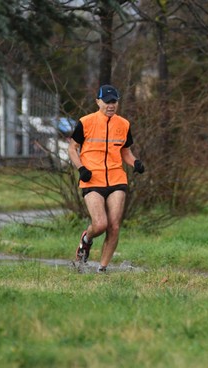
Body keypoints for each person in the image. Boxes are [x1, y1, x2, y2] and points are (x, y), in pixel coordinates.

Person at [68, 84, 145, 272]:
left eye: (114, 101)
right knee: (100, 224)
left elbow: (125, 151)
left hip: (116, 178)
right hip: (92, 178)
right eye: (107, 101)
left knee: (115, 226)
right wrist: (81, 168)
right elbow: (72, 148)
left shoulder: (123, 124)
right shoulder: (85, 122)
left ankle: (102, 269)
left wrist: (135, 163)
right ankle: (86, 239)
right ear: (98, 102)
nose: (111, 105)